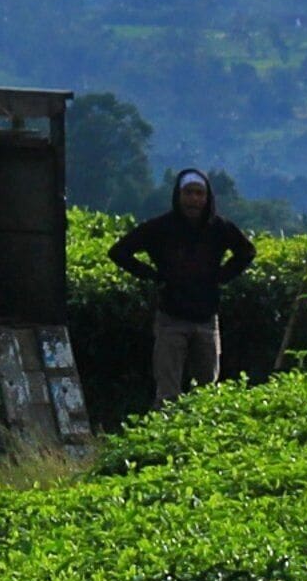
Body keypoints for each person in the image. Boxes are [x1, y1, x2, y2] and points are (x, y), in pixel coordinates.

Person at [107, 168, 256, 405]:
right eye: (188, 193)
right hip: (171, 318)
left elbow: (246, 251)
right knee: (168, 392)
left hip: (206, 317)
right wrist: (153, 276)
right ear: (178, 195)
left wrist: (221, 277)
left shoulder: (219, 228)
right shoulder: (160, 228)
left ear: (207, 198)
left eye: (199, 194)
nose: (194, 199)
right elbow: (119, 252)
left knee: (207, 390)